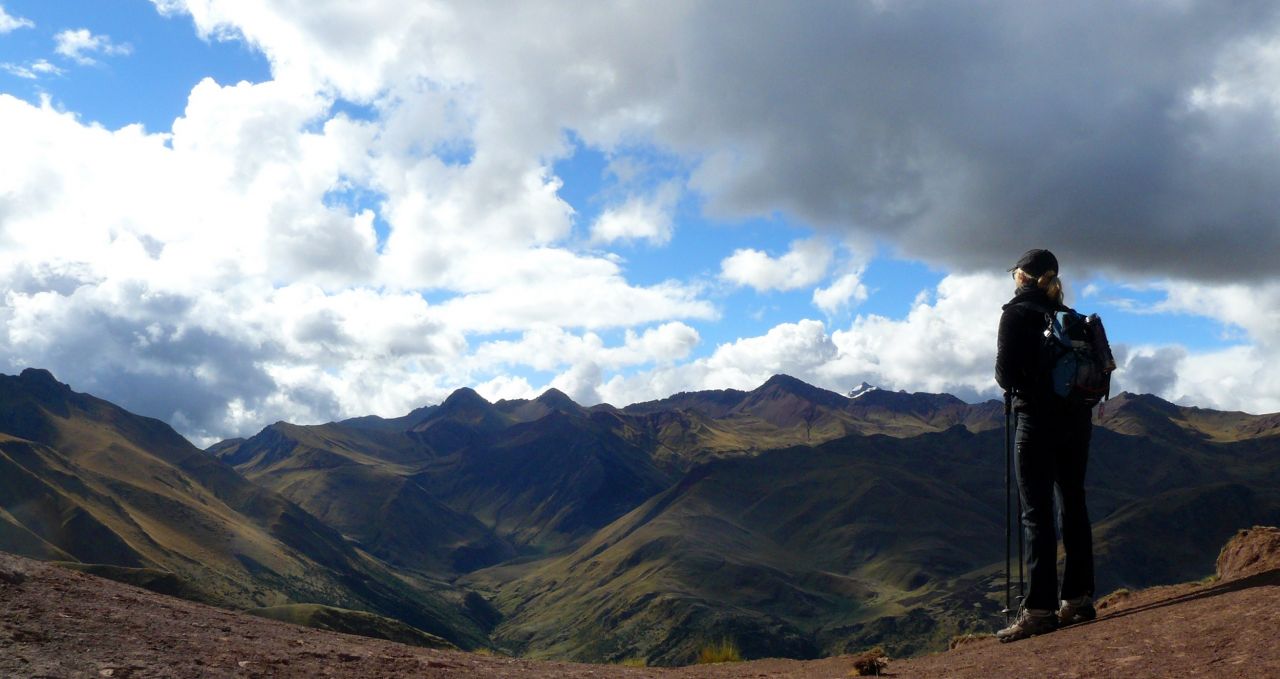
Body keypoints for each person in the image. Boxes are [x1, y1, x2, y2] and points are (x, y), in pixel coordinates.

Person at [994, 248, 1096, 643]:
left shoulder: (1017, 314)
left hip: (1036, 421)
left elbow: (1005, 376)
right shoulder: (1068, 316)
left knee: (1036, 515)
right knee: (1074, 502)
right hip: (1076, 421)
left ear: (1021, 276)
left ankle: (1039, 611)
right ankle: (1078, 600)